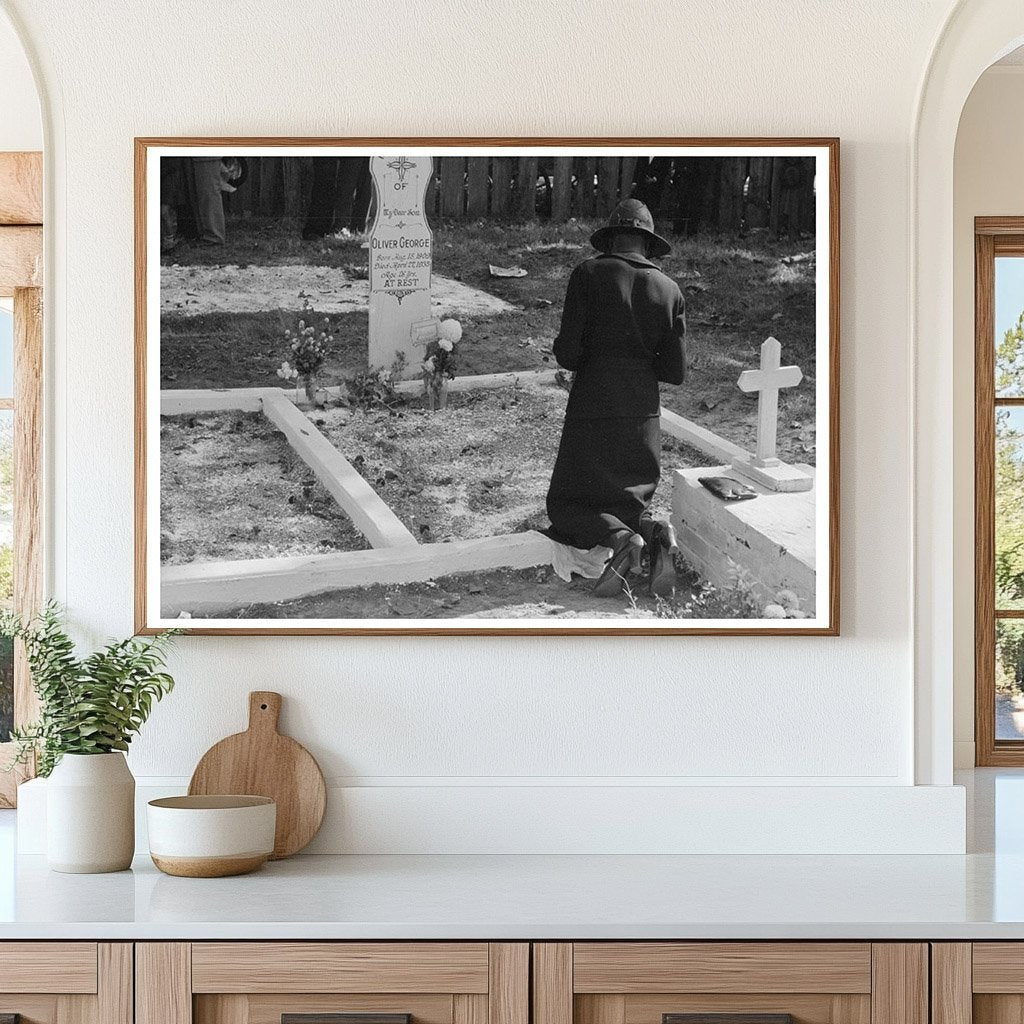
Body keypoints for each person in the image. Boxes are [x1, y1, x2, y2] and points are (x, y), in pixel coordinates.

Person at [544, 199, 686, 598]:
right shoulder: (670, 289)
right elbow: (675, 372)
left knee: (569, 504)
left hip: (593, 405)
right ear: (647, 242)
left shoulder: (588, 274)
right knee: (629, 501)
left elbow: (569, 354)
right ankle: (656, 532)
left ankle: (624, 543)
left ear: (611, 239)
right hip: (642, 414)